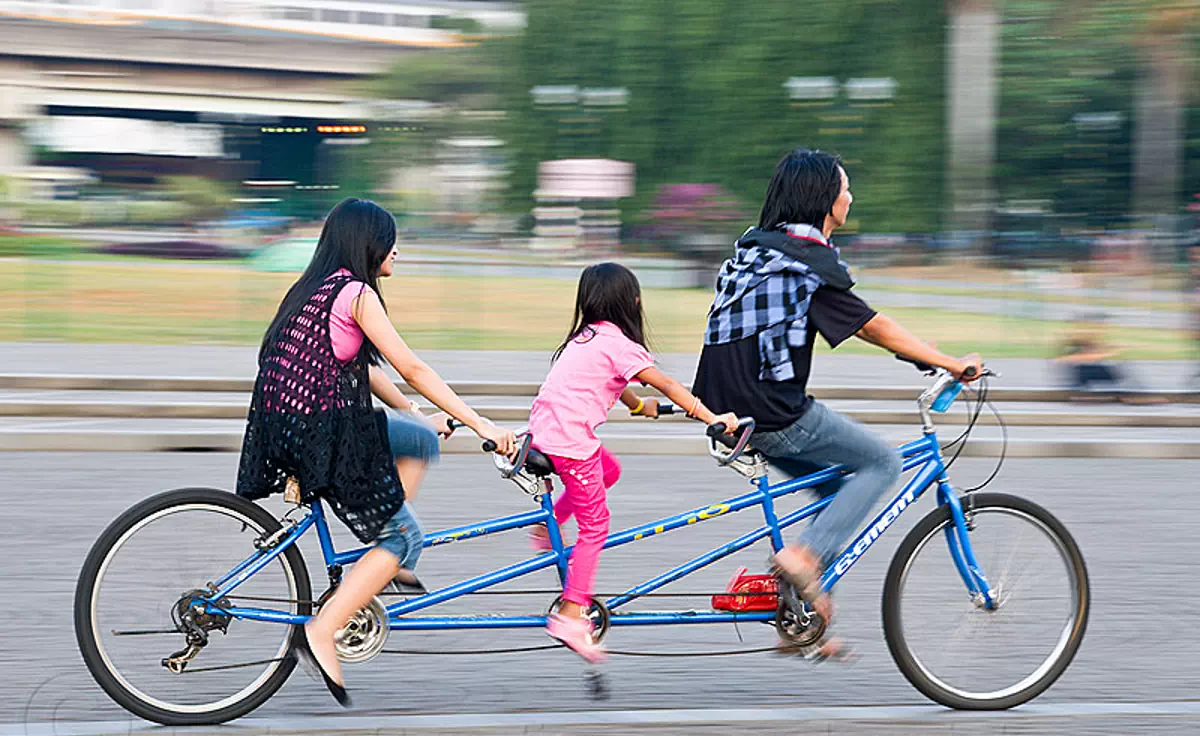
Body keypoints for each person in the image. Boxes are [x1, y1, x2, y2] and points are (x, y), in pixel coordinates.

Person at [692, 148, 982, 658]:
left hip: (725, 411)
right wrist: (948, 361)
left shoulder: (758, 251)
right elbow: (872, 326)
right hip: (774, 410)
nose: (850, 196)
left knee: (833, 491)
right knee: (882, 461)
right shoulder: (807, 263)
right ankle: (803, 560)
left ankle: (800, 617)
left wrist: (920, 359)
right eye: (845, 188)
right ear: (824, 198)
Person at [236, 198, 516, 706]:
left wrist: (413, 415)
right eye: (390, 241)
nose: (397, 252)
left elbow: (363, 369)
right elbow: (412, 366)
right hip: (325, 429)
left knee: (421, 439)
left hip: (288, 426)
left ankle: (386, 555)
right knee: (407, 536)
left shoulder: (311, 291)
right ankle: (323, 629)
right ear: (369, 244)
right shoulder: (357, 293)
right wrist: (484, 425)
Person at [527, 262, 739, 662]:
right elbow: (669, 384)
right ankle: (571, 614)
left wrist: (641, 407)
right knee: (595, 528)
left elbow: (617, 384)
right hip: (571, 444)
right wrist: (712, 418)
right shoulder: (621, 345)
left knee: (610, 470)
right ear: (633, 302)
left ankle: (548, 524)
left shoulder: (584, 338)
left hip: (545, 434)